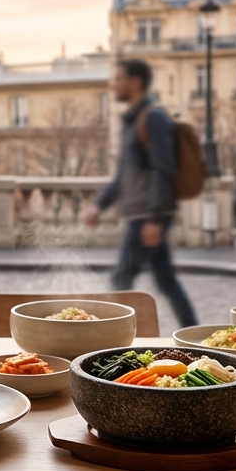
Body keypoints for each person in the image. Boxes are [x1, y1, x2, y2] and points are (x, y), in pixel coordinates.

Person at [82, 59, 199, 327]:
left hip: (149, 213)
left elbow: (164, 169)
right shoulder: (132, 121)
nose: (115, 84)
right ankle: (193, 333)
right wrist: (99, 205)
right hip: (141, 212)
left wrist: (155, 220)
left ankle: (111, 338)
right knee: (166, 280)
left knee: (121, 278)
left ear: (135, 83)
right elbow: (124, 175)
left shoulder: (153, 118)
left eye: (119, 78)